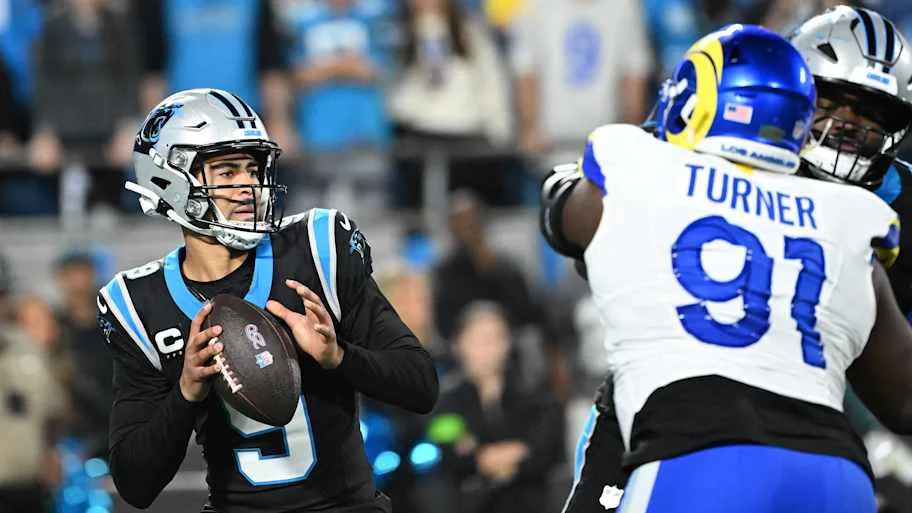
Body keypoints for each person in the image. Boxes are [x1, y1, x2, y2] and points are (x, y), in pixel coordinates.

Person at [539, 23, 912, 512]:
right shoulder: (859, 220)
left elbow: (564, 215)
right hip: (832, 466)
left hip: (694, 442)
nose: (846, 126)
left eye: (870, 115)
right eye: (832, 102)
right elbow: (903, 398)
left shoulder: (642, 163)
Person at [96, 88, 439, 512]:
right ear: (168, 180)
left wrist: (339, 358)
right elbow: (134, 484)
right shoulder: (138, 304)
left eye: (252, 169)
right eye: (226, 173)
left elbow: (422, 385)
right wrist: (187, 391)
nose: (247, 187)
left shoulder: (317, 250)